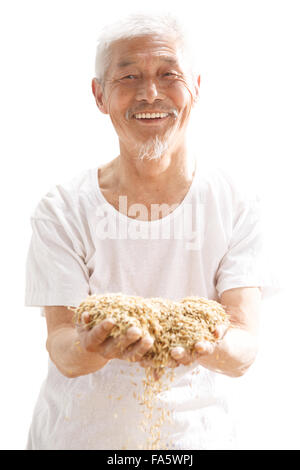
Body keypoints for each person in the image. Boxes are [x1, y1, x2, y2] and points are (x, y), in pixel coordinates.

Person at [25, 13, 279, 450]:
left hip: (199, 440)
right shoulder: (63, 210)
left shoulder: (237, 205)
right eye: (128, 76)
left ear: (196, 87)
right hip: (80, 437)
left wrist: (203, 342)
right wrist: (95, 345)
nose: (149, 94)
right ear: (99, 95)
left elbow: (244, 347)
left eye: (169, 74)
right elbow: (62, 345)